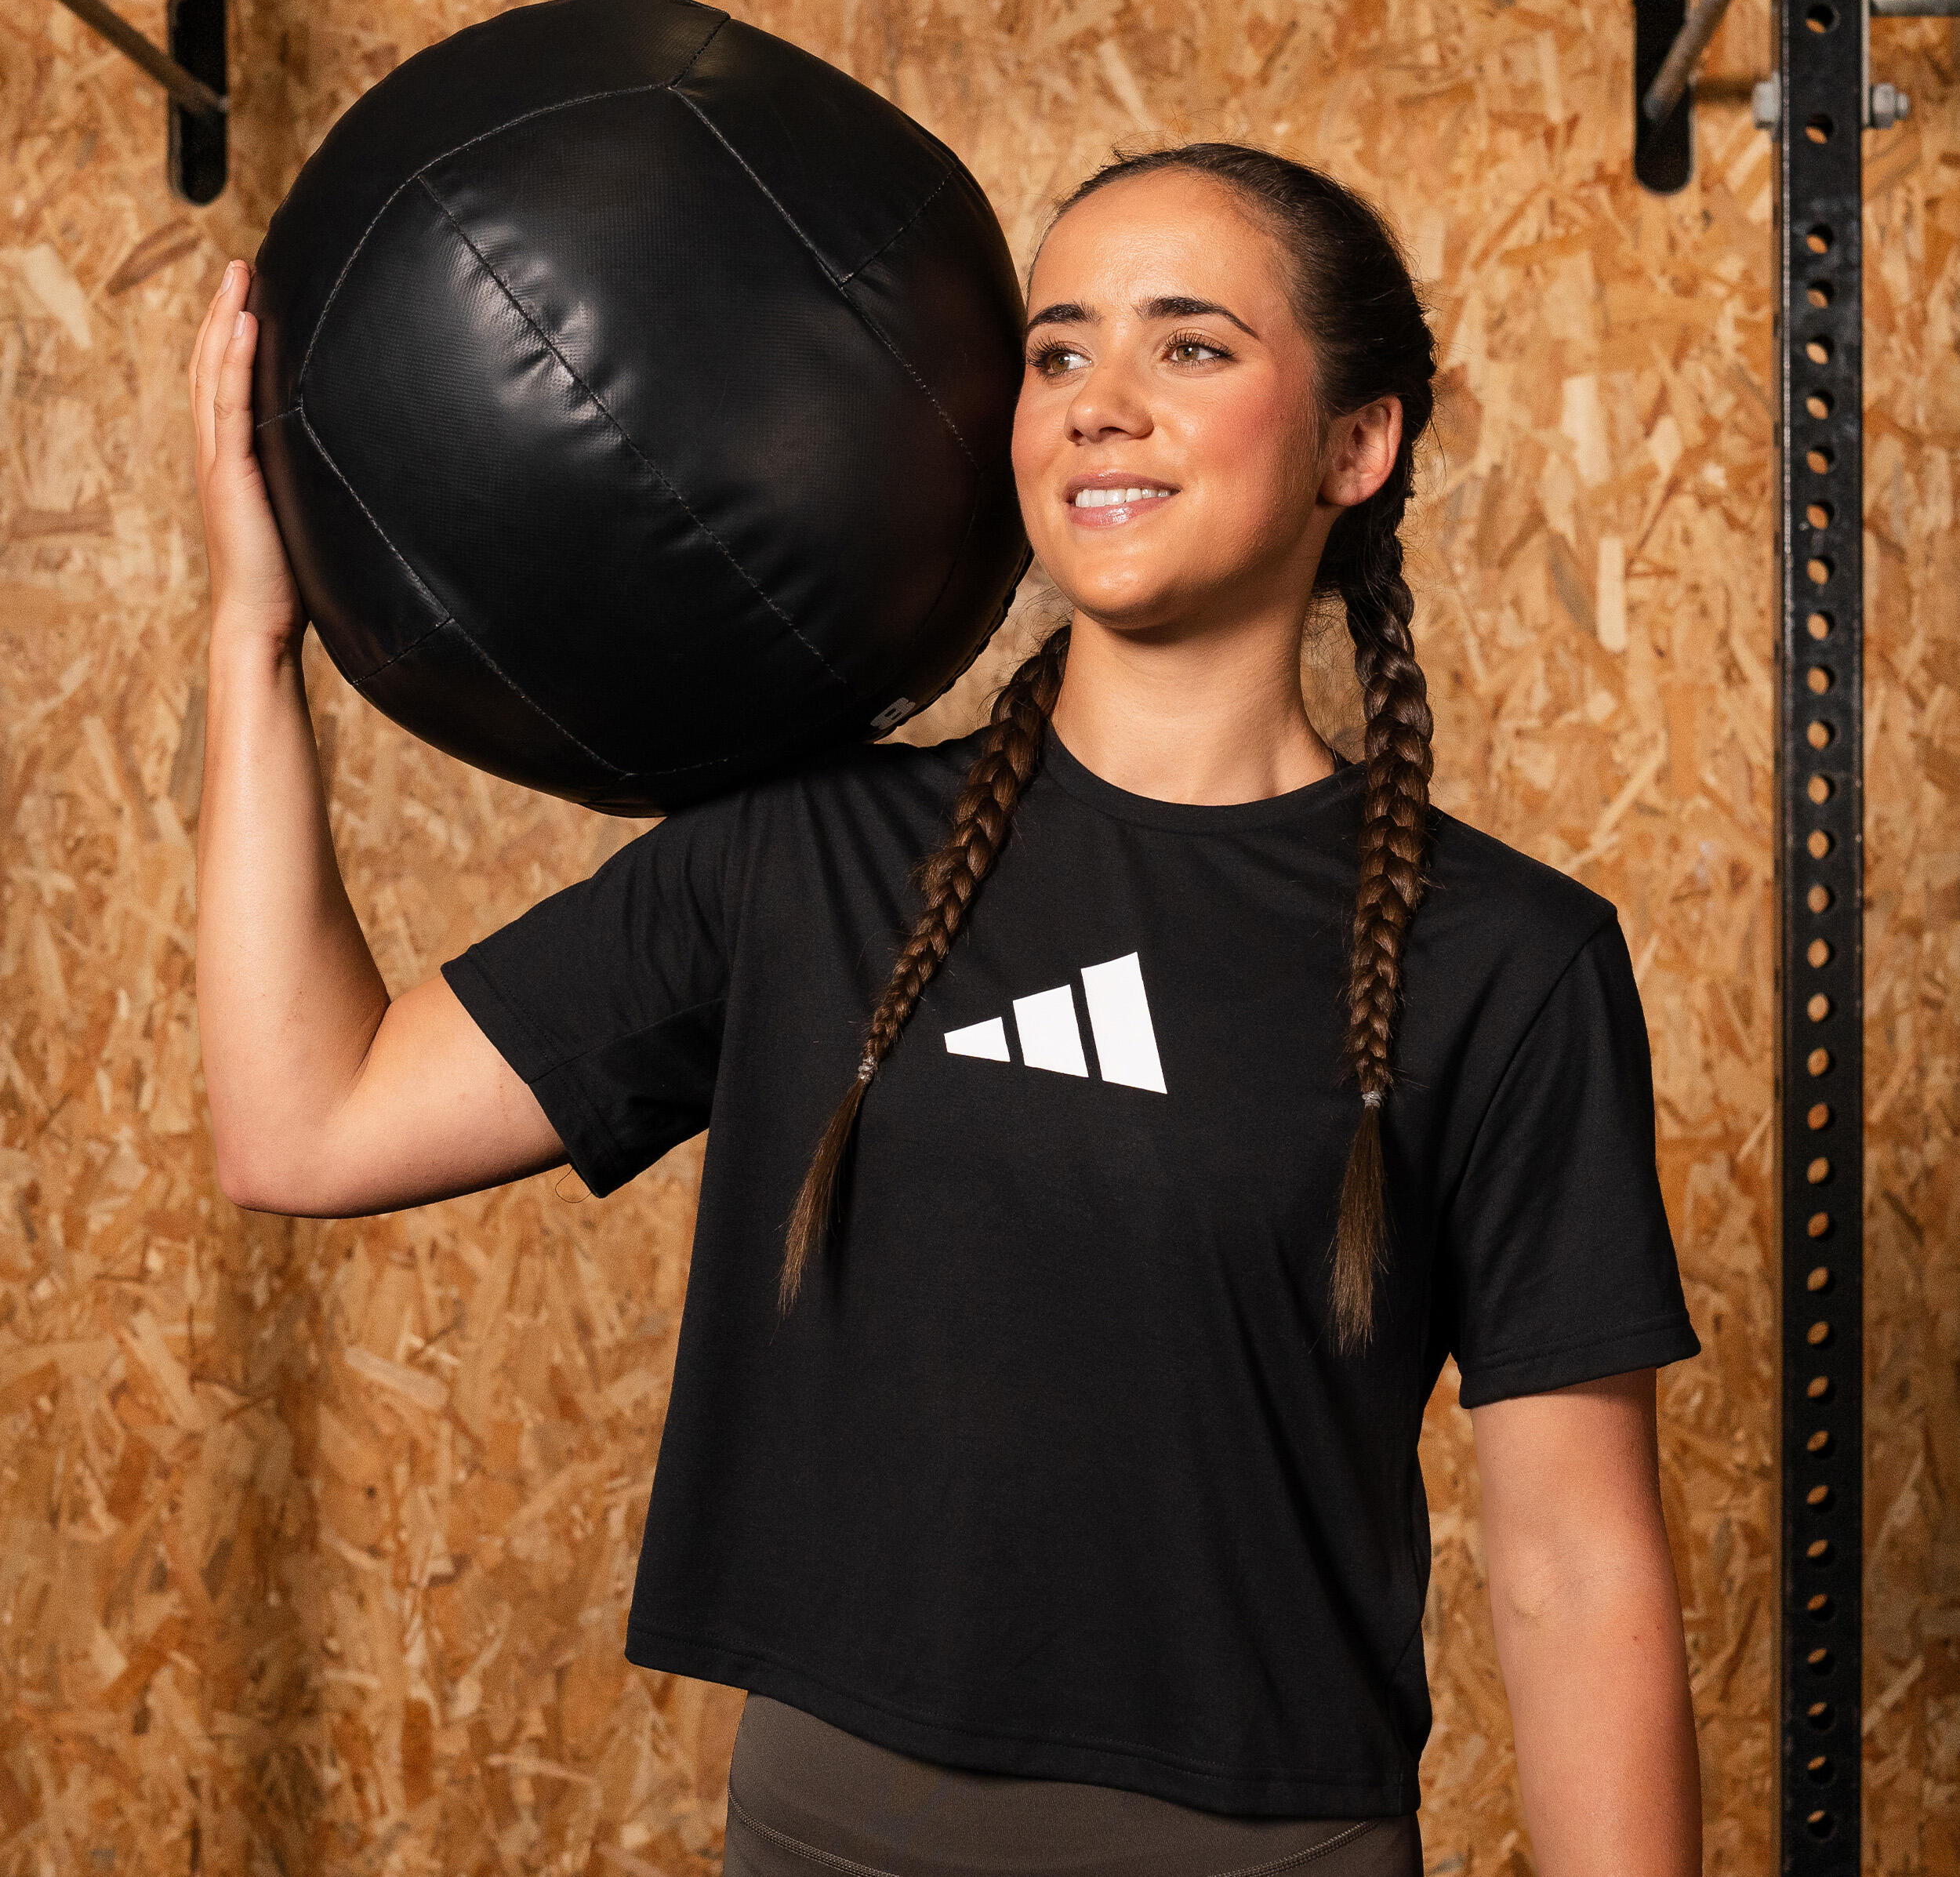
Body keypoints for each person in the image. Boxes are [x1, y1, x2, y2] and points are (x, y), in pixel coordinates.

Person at [189, 142, 1703, 1877]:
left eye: (1188, 348)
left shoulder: (1502, 957)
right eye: (1056, 353)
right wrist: (253, 634)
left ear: (1355, 446)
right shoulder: (807, 857)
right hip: (826, 1837)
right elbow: (305, 1119)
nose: (1098, 405)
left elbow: (1572, 1566)